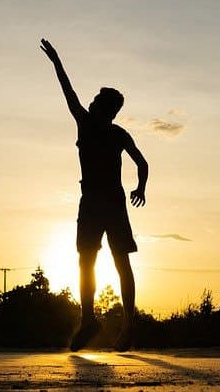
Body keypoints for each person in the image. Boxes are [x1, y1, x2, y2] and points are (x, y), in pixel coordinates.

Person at [40, 38, 149, 351]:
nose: (89, 102)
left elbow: (68, 92)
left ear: (103, 108)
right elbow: (142, 163)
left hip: (96, 202)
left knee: (90, 261)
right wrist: (140, 187)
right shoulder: (117, 133)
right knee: (117, 262)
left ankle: (98, 319)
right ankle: (116, 323)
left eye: (95, 100)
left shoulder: (87, 124)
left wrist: (57, 62)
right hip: (110, 202)